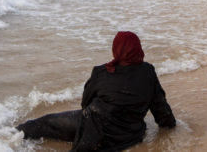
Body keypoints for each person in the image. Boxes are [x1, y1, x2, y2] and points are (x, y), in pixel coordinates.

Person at [17, 32, 175, 150]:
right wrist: (172, 126)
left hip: (96, 135)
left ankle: (7, 138)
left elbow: (85, 104)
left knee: (43, 124)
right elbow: (161, 109)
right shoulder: (148, 72)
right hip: (131, 137)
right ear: (138, 49)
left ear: (116, 50)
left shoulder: (102, 72)